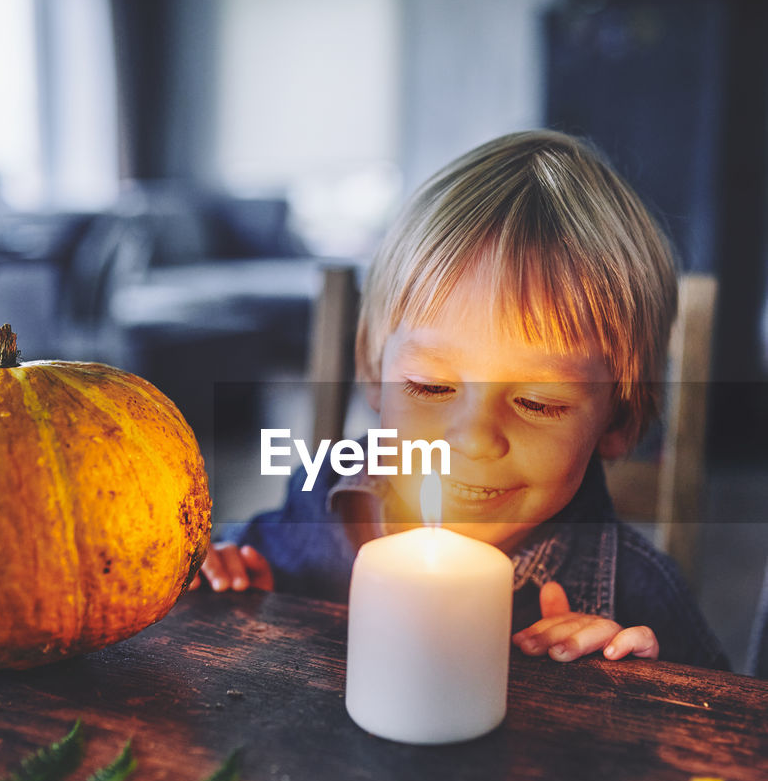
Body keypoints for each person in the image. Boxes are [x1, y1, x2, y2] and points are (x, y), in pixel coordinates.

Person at [198, 130, 729, 671]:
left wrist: (640, 692)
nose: (474, 437)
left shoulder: (638, 593)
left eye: (538, 402)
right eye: (432, 386)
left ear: (618, 418)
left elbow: (729, 733)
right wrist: (239, 583)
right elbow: (237, 564)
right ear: (377, 376)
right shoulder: (322, 495)